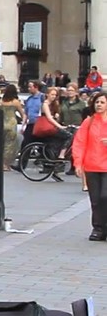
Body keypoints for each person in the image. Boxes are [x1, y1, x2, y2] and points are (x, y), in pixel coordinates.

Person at [71, 92, 107, 241]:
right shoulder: (89, 121)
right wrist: (78, 163)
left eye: (102, 102)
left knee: (105, 196)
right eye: (97, 102)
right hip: (92, 165)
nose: (99, 105)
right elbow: (79, 142)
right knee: (95, 199)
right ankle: (98, 228)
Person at [0, 84, 26, 172]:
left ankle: (0, 163)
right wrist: (24, 123)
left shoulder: (1, 101)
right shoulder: (15, 102)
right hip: (11, 123)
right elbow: (22, 114)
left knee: (1, 144)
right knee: (10, 145)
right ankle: (6, 164)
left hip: (1, 123)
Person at [22, 81, 45, 150]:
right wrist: (23, 124)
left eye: (30, 87)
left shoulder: (42, 97)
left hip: (39, 123)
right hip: (31, 123)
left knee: (41, 143)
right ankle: (24, 159)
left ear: (36, 87)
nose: (29, 89)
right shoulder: (29, 99)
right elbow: (26, 113)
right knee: (26, 143)